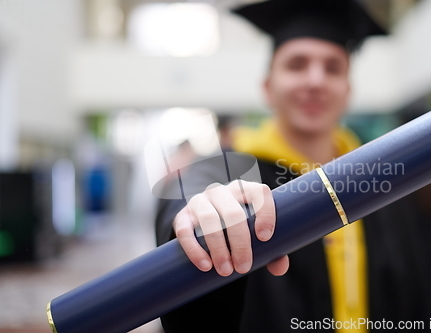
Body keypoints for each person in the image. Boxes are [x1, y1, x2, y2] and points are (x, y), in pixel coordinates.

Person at [156, 0, 388, 331]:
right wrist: (197, 213)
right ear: (268, 87)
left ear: (347, 91)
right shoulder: (230, 171)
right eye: (297, 64)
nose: (315, 80)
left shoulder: (380, 178)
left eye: (333, 68)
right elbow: (190, 195)